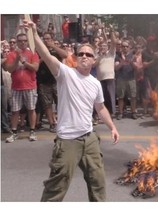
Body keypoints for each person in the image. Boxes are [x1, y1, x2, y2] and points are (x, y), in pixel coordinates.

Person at [24, 20, 120, 201]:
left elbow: (100, 108)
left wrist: (112, 127)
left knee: (98, 182)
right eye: (80, 53)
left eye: (88, 54)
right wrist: (34, 34)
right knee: (57, 186)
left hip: (89, 138)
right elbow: (46, 54)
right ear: (75, 58)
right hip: (68, 140)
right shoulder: (65, 74)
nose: (84, 56)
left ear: (94, 60)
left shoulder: (95, 84)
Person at [4, 33, 40, 142]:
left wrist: (24, 62)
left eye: (24, 40)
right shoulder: (11, 54)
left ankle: (32, 131)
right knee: (15, 111)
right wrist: (17, 59)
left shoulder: (33, 53)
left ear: (27, 41)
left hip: (30, 86)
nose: (22, 42)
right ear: (17, 42)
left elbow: (35, 68)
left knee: (31, 109)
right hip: (16, 87)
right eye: (20, 41)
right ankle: (14, 132)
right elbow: (9, 69)